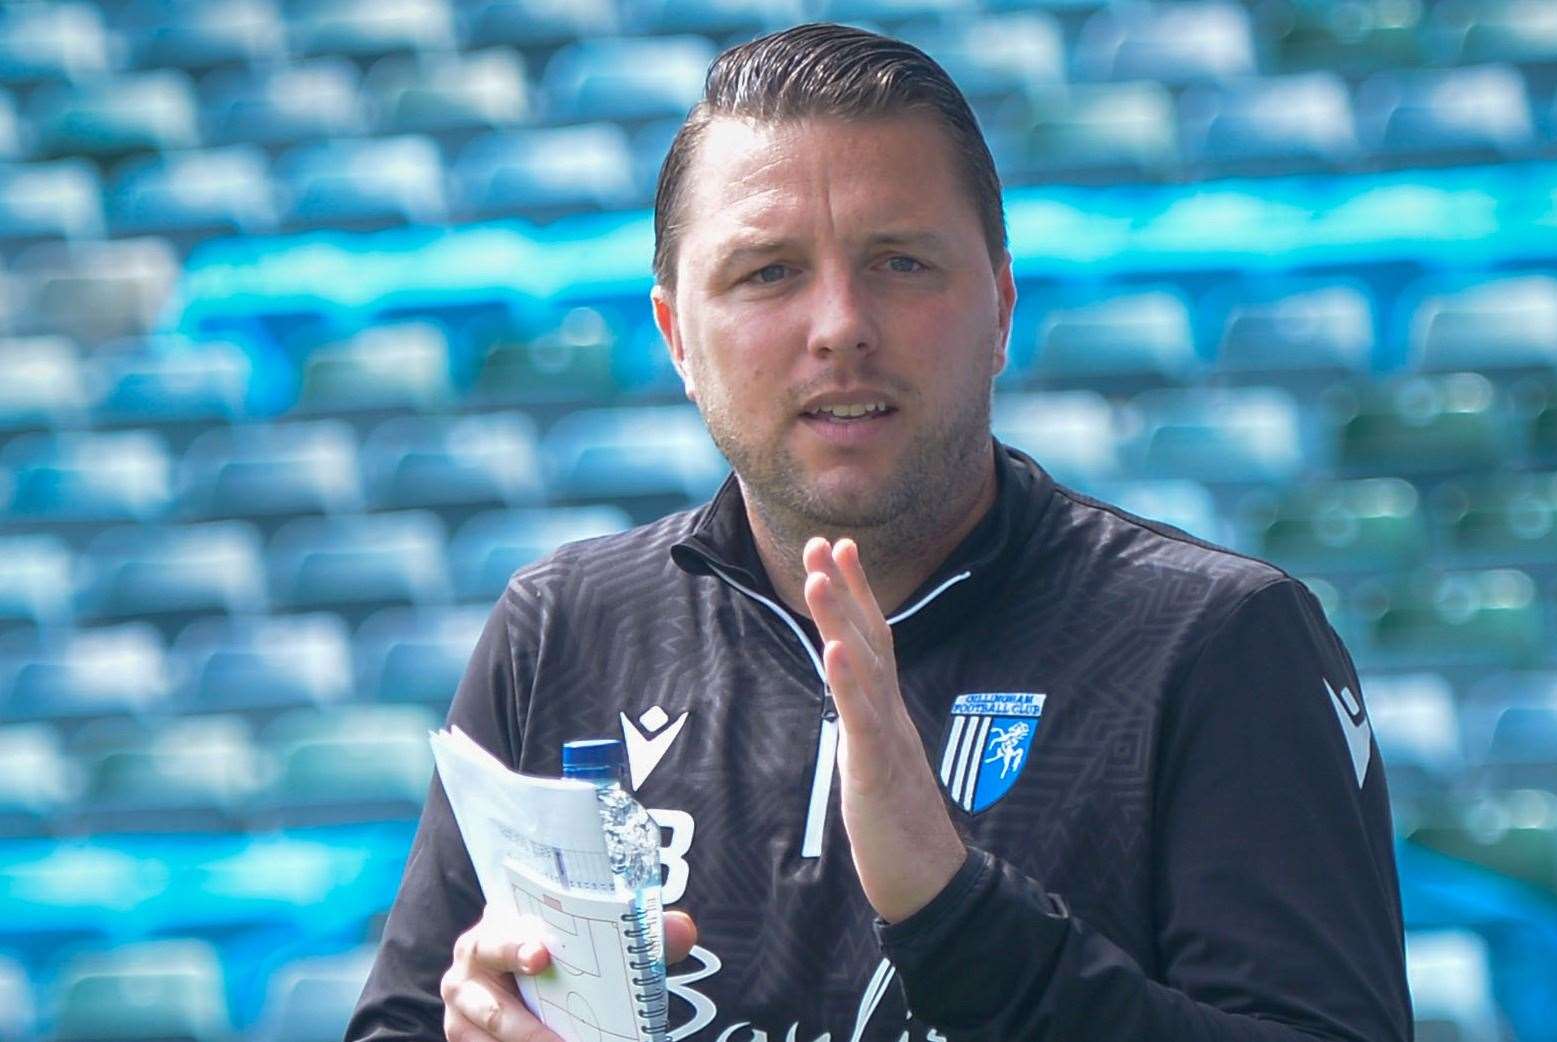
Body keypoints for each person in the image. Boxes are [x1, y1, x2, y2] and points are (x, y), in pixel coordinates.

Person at [346, 22, 1413, 1042]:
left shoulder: (1217, 642)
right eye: (767, 271)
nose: (840, 324)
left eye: (899, 261)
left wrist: (953, 910)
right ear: (676, 335)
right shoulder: (562, 629)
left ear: (999, 307)